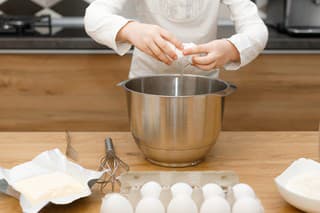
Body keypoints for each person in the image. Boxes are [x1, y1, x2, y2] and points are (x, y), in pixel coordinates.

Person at [84, 0, 268, 79]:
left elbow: (256, 28)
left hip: (204, 85)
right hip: (146, 82)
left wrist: (232, 48)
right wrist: (130, 29)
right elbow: (94, 17)